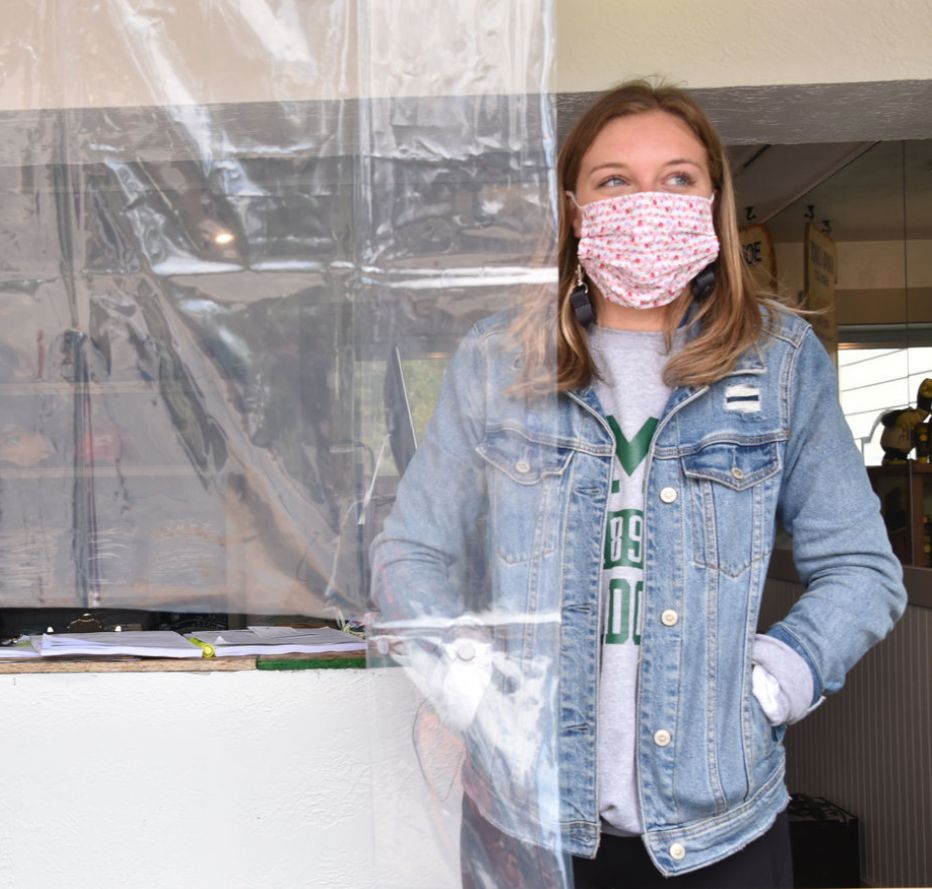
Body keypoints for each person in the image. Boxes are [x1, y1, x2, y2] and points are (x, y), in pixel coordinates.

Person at [370, 80, 906, 888]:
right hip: (531, 815)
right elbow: (408, 551)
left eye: (678, 178)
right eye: (615, 180)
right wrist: (475, 690)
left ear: (714, 203)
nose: (647, 201)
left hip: (723, 826)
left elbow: (864, 570)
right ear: (577, 208)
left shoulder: (781, 360)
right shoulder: (496, 362)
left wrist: (767, 688)